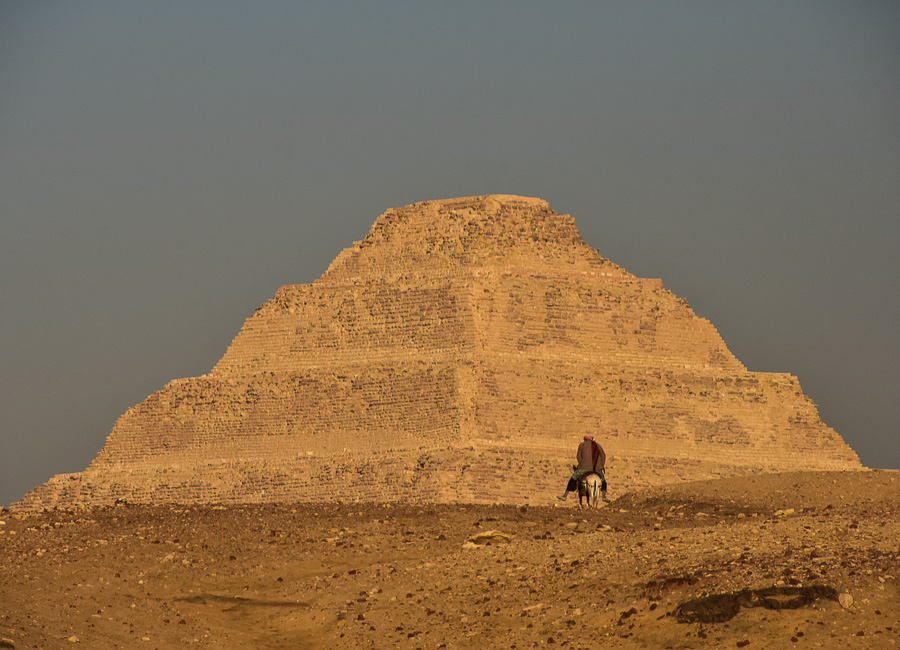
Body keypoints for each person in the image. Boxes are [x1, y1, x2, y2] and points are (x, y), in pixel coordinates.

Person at [557, 434, 609, 502]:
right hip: (596, 468)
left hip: (583, 468)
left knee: (573, 477)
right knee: (603, 480)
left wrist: (581, 463)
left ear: (584, 440)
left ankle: (565, 495)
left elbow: (578, 456)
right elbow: (603, 455)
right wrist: (601, 465)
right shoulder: (597, 445)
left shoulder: (581, 445)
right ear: (592, 439)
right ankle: (604, 495)